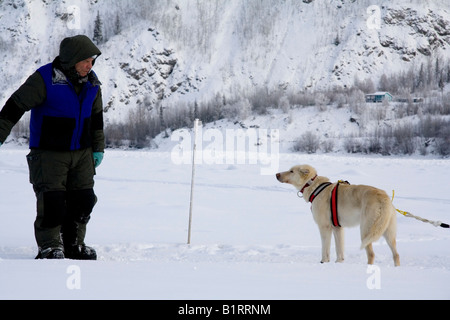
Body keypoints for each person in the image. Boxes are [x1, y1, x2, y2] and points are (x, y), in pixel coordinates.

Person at [0, 35, 105, 260]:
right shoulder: (44, 79)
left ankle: (74, 244)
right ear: (72, 59)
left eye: (92, 61)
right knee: (53, 202)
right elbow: (15, 105)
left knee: (84, 200)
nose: (90, 65)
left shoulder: (93, 83)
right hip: (49, 154)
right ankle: (49, 246)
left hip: (83, 153)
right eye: (85, 60)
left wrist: (98, 148)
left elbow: (96, 119)